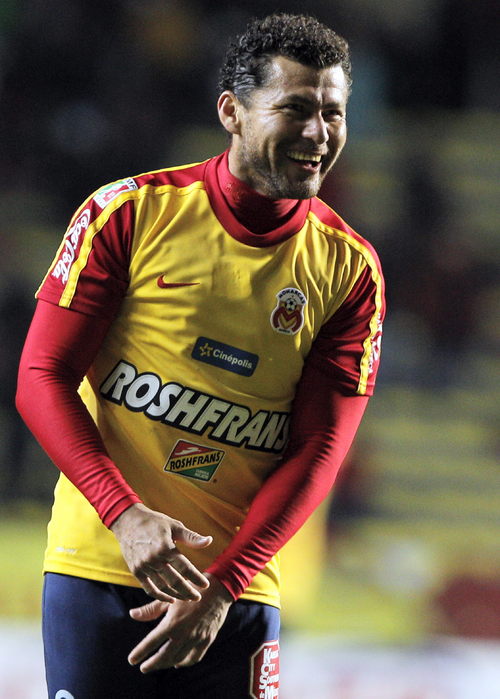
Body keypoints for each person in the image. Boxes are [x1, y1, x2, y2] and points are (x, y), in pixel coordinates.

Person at [16, 12, 385, 699]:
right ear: (231, 113)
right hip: (102, 565)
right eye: (295, 109)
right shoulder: (128, 214)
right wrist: (124, 515)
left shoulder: (349, 269)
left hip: (236, 590)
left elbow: (319, 448)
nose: (318, 133)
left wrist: (225, 585)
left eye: (333, 113)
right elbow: (41, 377)